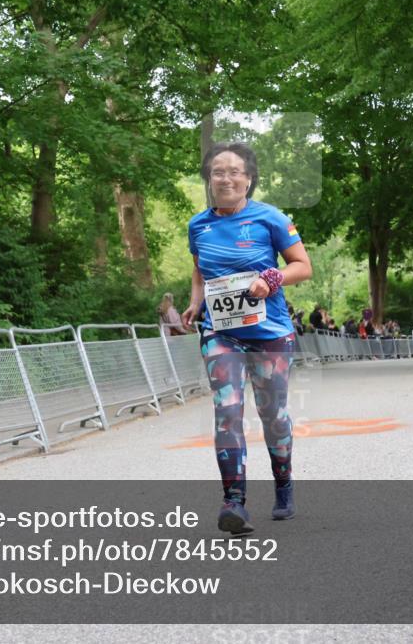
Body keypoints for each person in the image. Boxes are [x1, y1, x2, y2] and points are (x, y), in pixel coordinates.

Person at [182, 141, 313, 535]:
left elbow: (302, 266)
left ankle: (284, 483)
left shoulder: (270, 218)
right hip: (221, 333)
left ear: (248, 179)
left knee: (273, 416)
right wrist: (194, 304)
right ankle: (233, 502)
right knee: (227, 410)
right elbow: (199, 271)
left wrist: (270, 278)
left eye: (234, 171)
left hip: (269, 333)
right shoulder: (197, 225)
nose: (226, 178)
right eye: (218, 171)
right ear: (209, 179)